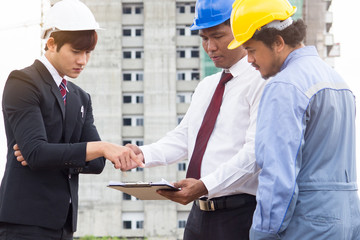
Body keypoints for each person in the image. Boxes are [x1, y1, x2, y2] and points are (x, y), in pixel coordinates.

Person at [0, 0, 142, 239]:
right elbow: (36, 153)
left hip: (63, 224)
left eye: (88, 53)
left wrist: (50, 155)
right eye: (76, 51)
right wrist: (99, 148)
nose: (83, 61)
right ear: (52, 44)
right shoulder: (22, 83)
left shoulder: (80, 98)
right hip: (24, 221)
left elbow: (97, 164)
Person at [125, 0, 266, 239]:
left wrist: (205, 185)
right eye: (203, 38)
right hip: (198, 216)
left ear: (242, 30)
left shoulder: (261, 81)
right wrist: (143, 154)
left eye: (218, 36)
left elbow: (254, 154)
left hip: (239, 215)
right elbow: (185, 137)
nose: (210, 47)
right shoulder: (207, 86)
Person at [228, 0, 360, 239]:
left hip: (306, 226)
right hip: (346, 222)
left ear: (278, 43)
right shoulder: (338, 81)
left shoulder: (284, 86)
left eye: (251, 50)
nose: (248, 60)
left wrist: (262, 233)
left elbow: (277, 175)